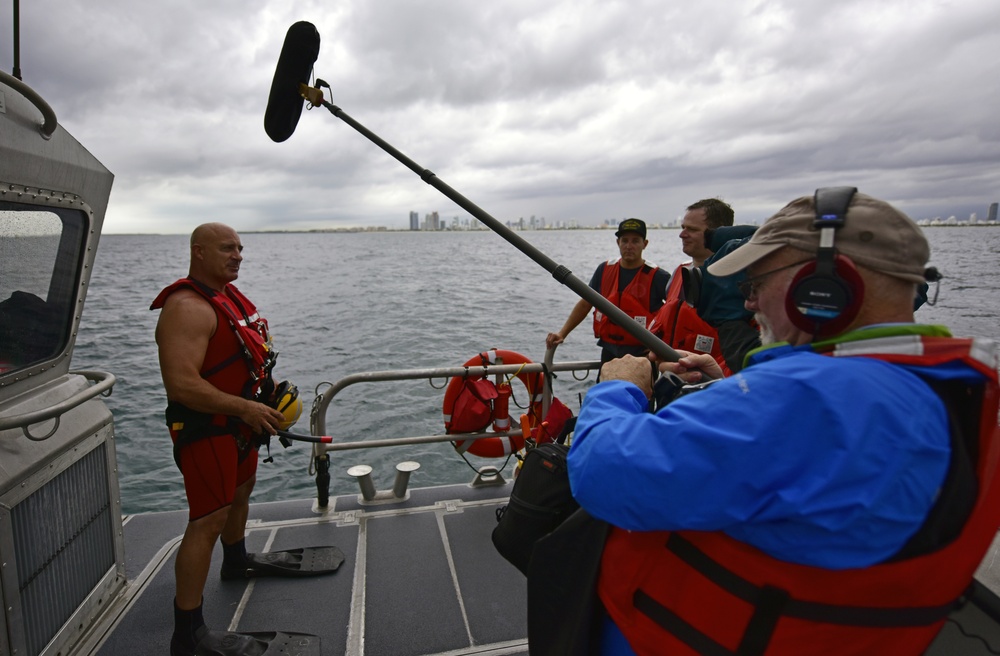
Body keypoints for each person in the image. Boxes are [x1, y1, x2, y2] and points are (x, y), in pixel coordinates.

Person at [563, 189, 1000, 654]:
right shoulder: (944, 386)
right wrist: (721, 386)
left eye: (756, 285)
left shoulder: (807, 397)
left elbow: (603, 472)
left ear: (823, 289)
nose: (749, 304)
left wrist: (617, 390)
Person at [151, 223, 319, 656]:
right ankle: (187, 633)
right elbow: (182, 386)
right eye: (227, 248)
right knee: (206, 520)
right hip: (209, 429)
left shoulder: (226, 298)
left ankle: (237, 559)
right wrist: (244, 408)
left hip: (241, 426)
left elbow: (247, 355)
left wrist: (266, 397)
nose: (238, 255)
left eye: (240, 248)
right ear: (198, 251)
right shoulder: (187, 307)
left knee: (242, 492)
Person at [546, 218, 670, 364]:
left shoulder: (659, 277)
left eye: (635, 241)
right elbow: (586, 302)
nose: (629, 246)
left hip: (642, 355)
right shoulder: (604, 270)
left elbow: (674, 312)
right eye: (624, 241)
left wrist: (662, 346)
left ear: (645, 244)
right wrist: (562, 333)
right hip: (609, 351)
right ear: (618, 243)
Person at [651, 199, 748, 374]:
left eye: (692, 229)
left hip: (713, 385)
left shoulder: (743, 285)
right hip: (672, 382)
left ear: (720, 234)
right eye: (682, 228)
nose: (682, 234)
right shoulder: (678, 275)